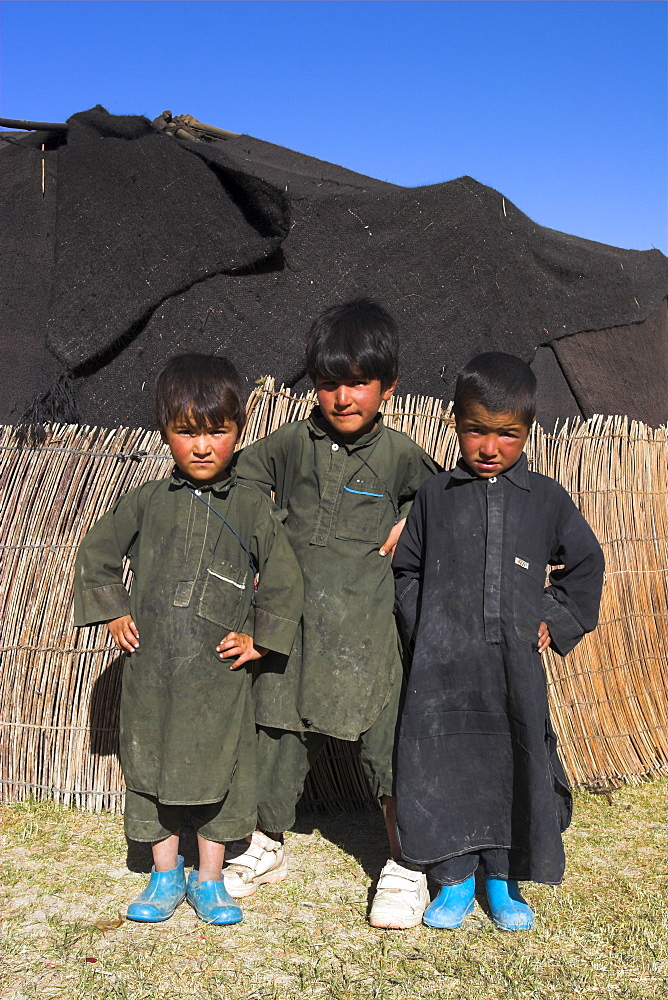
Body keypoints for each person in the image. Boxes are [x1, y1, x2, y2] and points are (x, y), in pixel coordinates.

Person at [228, 298, 440, 927]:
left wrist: (411, 520)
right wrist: (265, 535)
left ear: (388, 388)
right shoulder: (291, 443)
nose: (343, 397)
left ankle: (407, 862)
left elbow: (444, 500)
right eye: (328, 383)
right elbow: (240, 479)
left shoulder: (401, 455)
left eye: (358, 383)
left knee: (387, 744)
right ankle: (266, 843)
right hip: (294, 623)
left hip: (366, 626)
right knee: (279, 734)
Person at [74, 354, 303, 926]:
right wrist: (113, 611)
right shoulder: (147, 501)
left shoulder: (252, 505)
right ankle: (164, 875)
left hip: (219, 677)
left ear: (239, 430)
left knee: (223, 767)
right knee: (149, 762)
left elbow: (283, 576)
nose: (202, 447)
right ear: (165, 432)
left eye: (217, 431)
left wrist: (259, 636)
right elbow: (97, 555)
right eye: (186, 432)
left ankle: (210, 878)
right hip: (152, 670)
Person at [392, 352, 605, 931]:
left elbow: (585, 564)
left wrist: (554, 618)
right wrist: (426, 624)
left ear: (527, 431)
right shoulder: (437, 495)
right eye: (475, 431)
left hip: (514, 665)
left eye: (506, 435)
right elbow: (405, 571)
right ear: (455, 426)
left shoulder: (546, 499)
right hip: (442, 670)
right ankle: (455, 880)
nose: (489, 447)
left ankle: (502, 882)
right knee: (446, 761)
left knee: (513, 760)